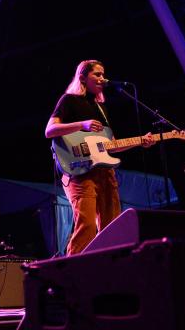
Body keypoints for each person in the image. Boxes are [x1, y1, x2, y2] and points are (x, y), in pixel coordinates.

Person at [45, 60, 154, 255]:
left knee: (112, 228)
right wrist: (82, 124)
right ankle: (71, 272)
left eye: (103, 74)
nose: (102, 78)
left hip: (105, 173)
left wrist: (140, 141)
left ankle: (106, 272)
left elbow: (111, 145)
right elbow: (50, 130)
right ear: (82, 78)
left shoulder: (101, 107)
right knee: (86, 225)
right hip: (79, 173)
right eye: (97, 74)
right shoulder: (69, 100)